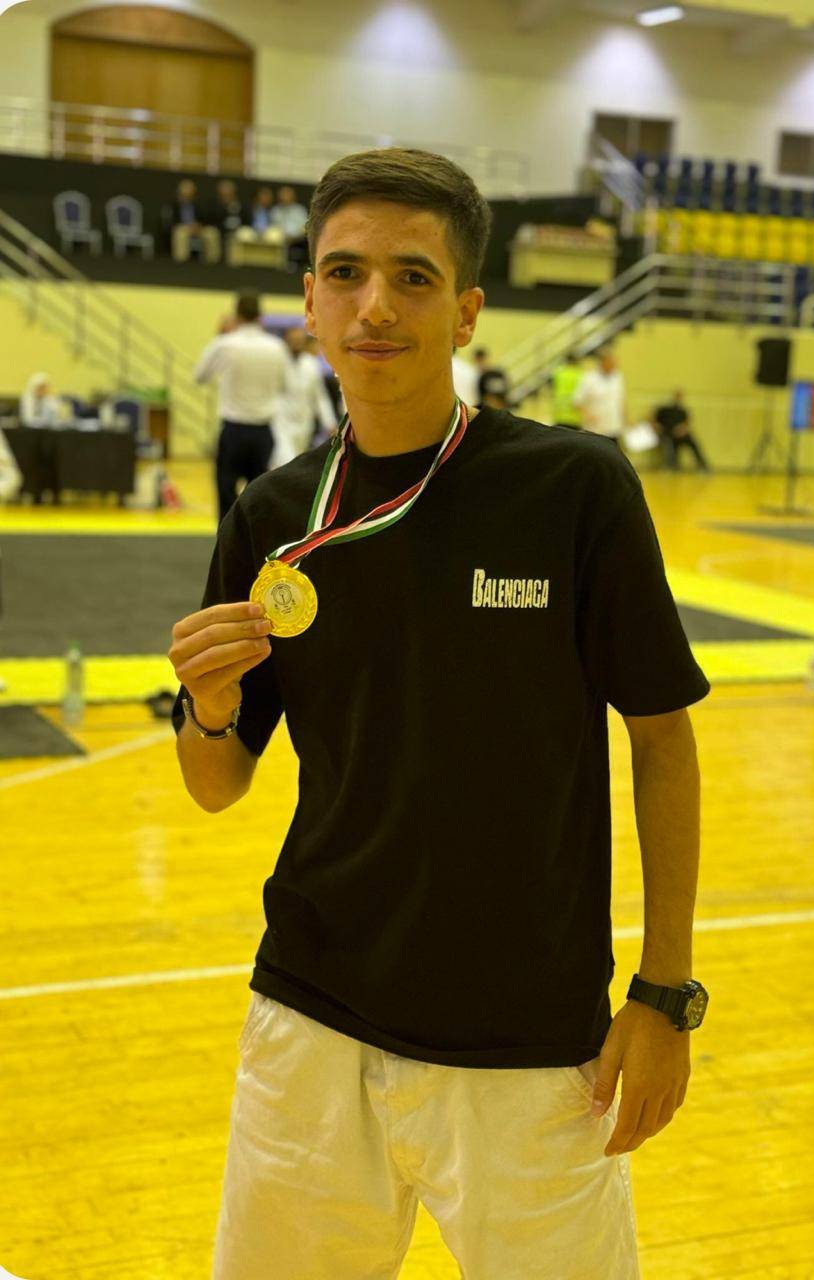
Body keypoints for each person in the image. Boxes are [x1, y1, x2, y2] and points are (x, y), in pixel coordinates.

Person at [168, 147, 710, 1280]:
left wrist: (663, 994)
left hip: (531, 1050)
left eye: (412, 277)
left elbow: (662, 738)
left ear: (465, 311)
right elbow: (218, 783)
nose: (375, 305)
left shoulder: (574, 488)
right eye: (345, 273)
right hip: (310, 1024)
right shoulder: (273, 515)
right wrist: (209, 710)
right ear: (309, 301)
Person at [193, 291, 294, 525]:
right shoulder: (277, 347)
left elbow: (199, 376)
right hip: (263, 432)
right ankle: (253, 542)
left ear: (236, 315)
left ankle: (226, 540)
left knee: (226, 493)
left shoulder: (225, 344)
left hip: (234, 431)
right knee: (258, 497)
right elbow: (287, 386)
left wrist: (220, 337)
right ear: (260, 316)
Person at [269, 326, 337, 469]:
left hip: (304, 424)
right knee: (284, 462)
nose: (296, 343)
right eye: (293, 340)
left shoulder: (311, 364)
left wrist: (329, 422)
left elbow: (319, 396)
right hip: (281, 423)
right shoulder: (277, 362)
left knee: (297, 464)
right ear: (286, 341)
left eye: (299, 340)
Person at [573, 345, 626, 445]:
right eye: (611, 362)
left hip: (614, 428)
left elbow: (620, 400)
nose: (614, 365)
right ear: (603, 362)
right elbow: (577, 401)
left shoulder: (617, 377)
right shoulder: (589, 378)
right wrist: (588, 415)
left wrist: (626, 419)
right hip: (595, 430)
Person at [164, 179, 220, 264]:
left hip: (197, 228)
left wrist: (198, 226)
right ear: (180, 193)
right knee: (180, 232)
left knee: (212, 232)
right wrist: (187, 226)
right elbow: (170, 222)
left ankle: (212, 261)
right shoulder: (173, 205)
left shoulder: (197, 205)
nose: (188, 194)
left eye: (190, 192)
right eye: (185, 192)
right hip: (182, 228)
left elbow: (204, 219)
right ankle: (181, 261)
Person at [653, 390, 711, 472]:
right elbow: (655, 421)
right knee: (668, 443)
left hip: (680, 435)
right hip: (667, 434)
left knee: (692, 440)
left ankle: (702, 464)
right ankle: (671, 465)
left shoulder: (682, 411)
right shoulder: (665, 409)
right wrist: (659, 428)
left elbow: (686, 424)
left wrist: (682, 430)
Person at [271, 184, 310, 271]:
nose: (285, 197)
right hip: (279, 239)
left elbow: (304, 227)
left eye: (287, 194)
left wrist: (293, 237)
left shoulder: (299, 210)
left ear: (293, 196)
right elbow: (274, 227)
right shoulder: (275, 210)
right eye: (283, 195)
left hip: (298, 239)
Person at [206, 179, 245, 259]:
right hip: (218, 229)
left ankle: (234, 262)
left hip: (235, 230)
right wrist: (225, 207)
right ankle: (213, 261)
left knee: (239, 235)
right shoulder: (214, 204)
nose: (226, 195)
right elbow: (210, 219)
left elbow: (244, 218)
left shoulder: (239, 204)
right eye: (224, 193)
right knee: (211, 234)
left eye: (229, 193)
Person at [550, 349, 585, 430]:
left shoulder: (558, 373)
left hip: (559, 413)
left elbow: (553, 389)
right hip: (575, 415)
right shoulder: (580, 374)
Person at [472, 346, 510, 410]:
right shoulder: (475, 377)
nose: (481, 364)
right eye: (478, 361)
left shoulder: (498, 374)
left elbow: (504, 392)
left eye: (482, 360)